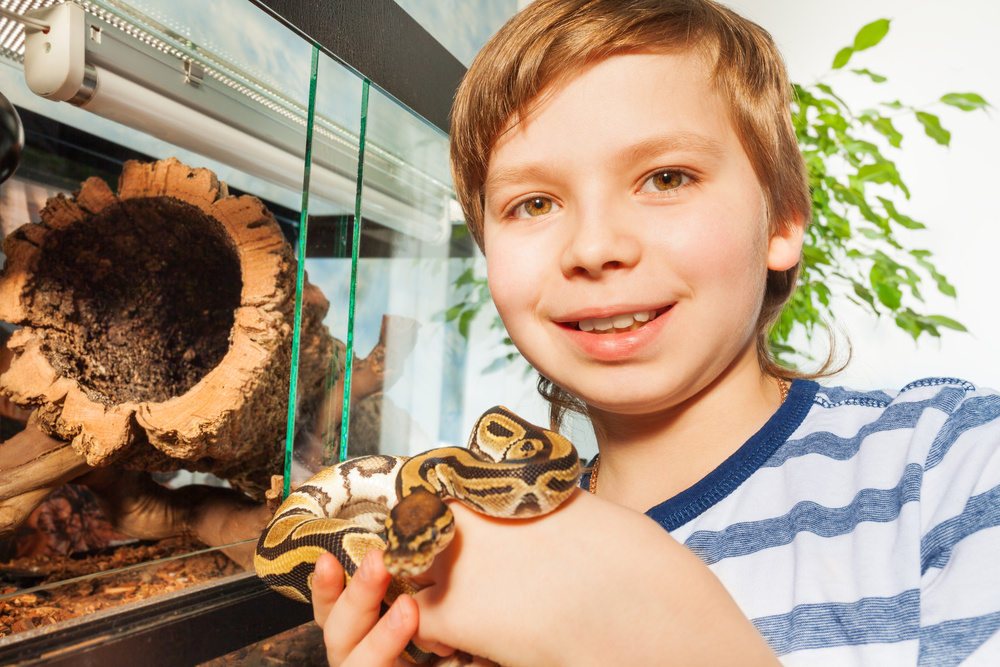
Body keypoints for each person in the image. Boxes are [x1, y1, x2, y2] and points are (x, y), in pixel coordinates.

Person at [309, 0, 1000, 664]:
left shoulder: (954, 461)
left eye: (667, 177)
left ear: (784, 219)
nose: (595, 245)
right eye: (535, 202)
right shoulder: (475, 544)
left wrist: (647, 617)